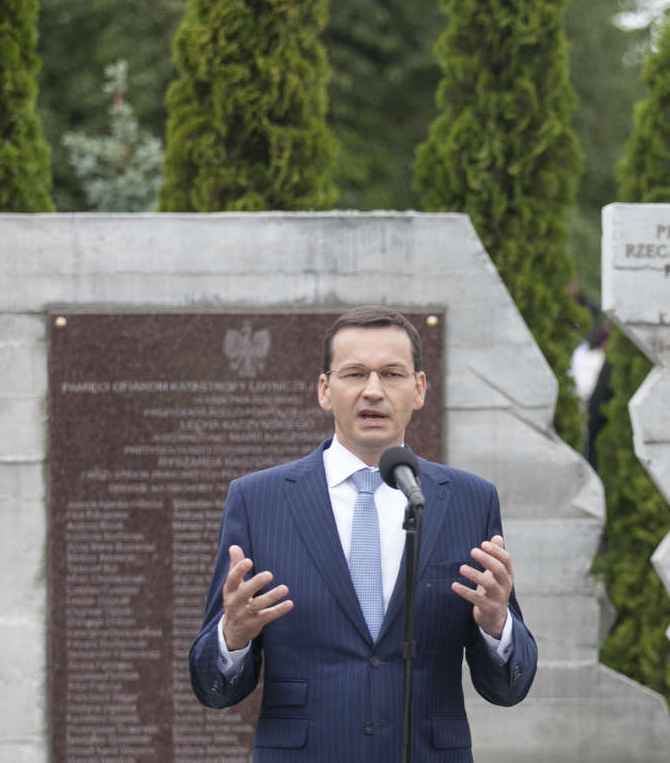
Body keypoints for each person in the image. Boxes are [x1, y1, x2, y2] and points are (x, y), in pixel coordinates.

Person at [189, 306, 537, 760]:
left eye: (392, 374)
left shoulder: (470, 500)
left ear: (419, 389)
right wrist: (231, 636)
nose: (373, 390)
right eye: (355, 373)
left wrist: (497, 627)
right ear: (324, 390)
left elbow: (509, 688)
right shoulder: (259, 500)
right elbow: (213, 690)